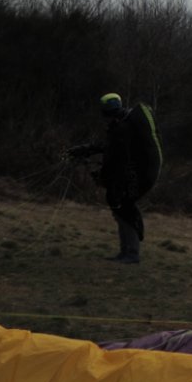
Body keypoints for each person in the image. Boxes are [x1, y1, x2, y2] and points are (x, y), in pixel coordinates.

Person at [69, 93, 146, 264]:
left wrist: (103, 174)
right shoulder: (121, 125)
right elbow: (108, 148)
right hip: (125, 178)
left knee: (125, 214)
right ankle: (125, 252)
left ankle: (131, 254)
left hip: (125, 180)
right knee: (120, 214)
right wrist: (86, 149)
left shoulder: (122, 129)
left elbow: (116, 158)